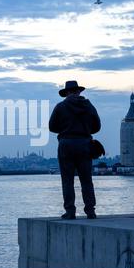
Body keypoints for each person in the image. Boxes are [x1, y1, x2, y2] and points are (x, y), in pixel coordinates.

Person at [49, 80, 101, 220]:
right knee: (86, 180)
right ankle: (90, 211)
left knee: (67, 180)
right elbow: (97, 127)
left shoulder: (60, 107)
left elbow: (52, 127)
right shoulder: (89, 106)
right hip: (84, 144)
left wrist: (66, 129)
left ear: (66, 93)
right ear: (79, 91)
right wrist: (84, 129)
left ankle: (70, 211)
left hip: (66, 144)